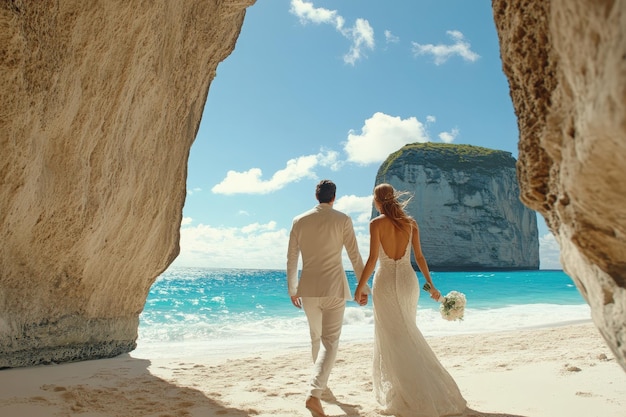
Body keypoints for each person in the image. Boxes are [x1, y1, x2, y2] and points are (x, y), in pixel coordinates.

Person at [354, 183, 467, 417]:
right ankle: (419, 384)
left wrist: (360, 286)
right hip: (408, 281)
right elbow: (420, 257)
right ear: (393, 198)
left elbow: (373, 258)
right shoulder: (411, 223)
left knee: (393, 335)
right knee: (407, 330)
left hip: (385, 281)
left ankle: (406, 389)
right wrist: (432, 287)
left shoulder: (375, 224)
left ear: (377, 202)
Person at [287, 179, 367, 417]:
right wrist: (362, 288)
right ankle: (315, 392)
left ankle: (319, 384)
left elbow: (292, 259)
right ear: (334, 198)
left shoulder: (299, 220)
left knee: (316, 337)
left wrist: (293, 289)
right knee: (329, 341)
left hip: (308, 289)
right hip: (334, 287)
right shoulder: (343, 219)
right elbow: (354, 255)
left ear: (316, 196)